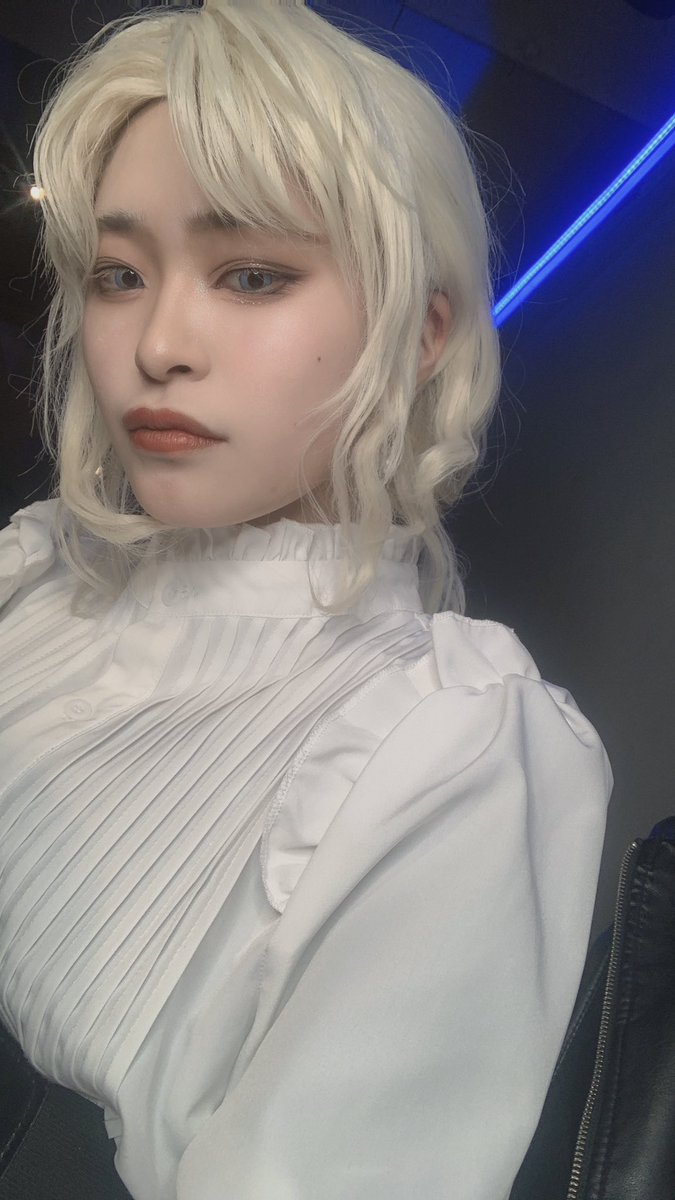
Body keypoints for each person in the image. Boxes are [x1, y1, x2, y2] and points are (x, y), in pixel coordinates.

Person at [0, 3, 613, 1198]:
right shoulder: (34, 568)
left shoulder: (448, 748)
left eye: (251, 274)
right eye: (120, 275)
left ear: (419, 334)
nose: (158, 343)